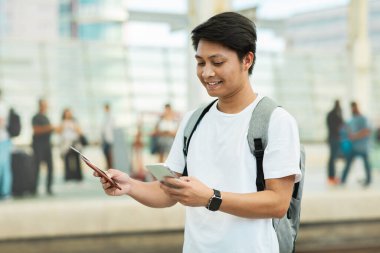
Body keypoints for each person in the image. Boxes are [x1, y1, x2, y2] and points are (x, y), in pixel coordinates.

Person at [94, 12, 301, 253]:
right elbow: (169, 192)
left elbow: (277, 202)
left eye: (217, 62)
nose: (207, 73)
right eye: (201, 62)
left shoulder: (275, 121)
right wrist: (129, 185)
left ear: (247, 60)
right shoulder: (193, 120)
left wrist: (210, 198)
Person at [341, 101, 372, 187]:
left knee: (366, 164)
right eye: (352, 107)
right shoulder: (352, 119)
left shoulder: (363, 118)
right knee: (348, 163)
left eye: (354, 107)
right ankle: (342, 180)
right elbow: (348, 130)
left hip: (363, 146)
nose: (353, 109)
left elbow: (367, 131)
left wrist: (355, 136)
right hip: (353, 146)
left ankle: (369, 181)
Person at [32, 98, 56, 195]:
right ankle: (34, 188)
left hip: (47, 145)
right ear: (40, 105)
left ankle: (49, 188)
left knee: (50, 167)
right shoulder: (35, 117)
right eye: (44, 105)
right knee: (37, 168)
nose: (46, 106)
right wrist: (49, 128)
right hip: (38, 146)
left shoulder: (46, 118)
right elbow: (36, 130)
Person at [56, 108, 83, 182]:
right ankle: (68, 177)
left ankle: (78, 177)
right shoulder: (62, 122)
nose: (68, 114)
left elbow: (80, 132)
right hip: (66, 144)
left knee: (77, 160)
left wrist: (73, 127)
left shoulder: (75, 121)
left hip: (74, 143)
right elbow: (58, 132)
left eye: (69, 113)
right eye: (67, 113)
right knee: (66, 160)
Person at [326, 100, 343, 185]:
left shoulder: (330, 114)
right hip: (335, 138)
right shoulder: (336, 114)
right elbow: (340, 125)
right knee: (333, 158)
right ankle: (331, 177)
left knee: (333, 158)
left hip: (332, 138)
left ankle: (332, 177)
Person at [0, 89, 12, 200]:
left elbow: (1, 122)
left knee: (3, 166)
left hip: (2, 140)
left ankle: (5, 192)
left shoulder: (2, 106)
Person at [101, 103, 115, 169]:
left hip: (110, 139)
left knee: (110, 154)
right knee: (105, 153)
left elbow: (112, 128)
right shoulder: (104, 117)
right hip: (105, 139)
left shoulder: (111, 117)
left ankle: (110, 167)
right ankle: (108, 166)